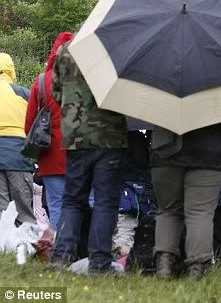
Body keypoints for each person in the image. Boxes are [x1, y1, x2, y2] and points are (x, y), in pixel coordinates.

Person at [50, 40, 128, 273]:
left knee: (72, 199)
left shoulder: (67, 49)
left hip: (76, 137)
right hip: (110, 137)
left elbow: (56, 91)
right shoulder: (117, 46)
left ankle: (60, 257)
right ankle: (99, 261)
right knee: (105, 201)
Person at [150, 123, 221, 280]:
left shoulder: (164, 96)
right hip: (209, 151)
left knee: (168, 211)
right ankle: (197, 270)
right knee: (200, 213)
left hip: (165, 149)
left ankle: (164, 265)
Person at [25, 33, 73, 230]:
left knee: (56, 205)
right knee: (86, 202)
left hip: (51, 154)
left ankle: (61, 251)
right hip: (82, 150)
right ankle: (85, 250)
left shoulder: (42, 81)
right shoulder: (85, 79)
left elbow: (29, 124)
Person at [0, 53, 35, 224]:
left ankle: (5, 248)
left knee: (2, 211)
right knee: (24, 210)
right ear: (11, 70)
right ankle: (27, 248)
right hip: (18, 155)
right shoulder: (23, 93)